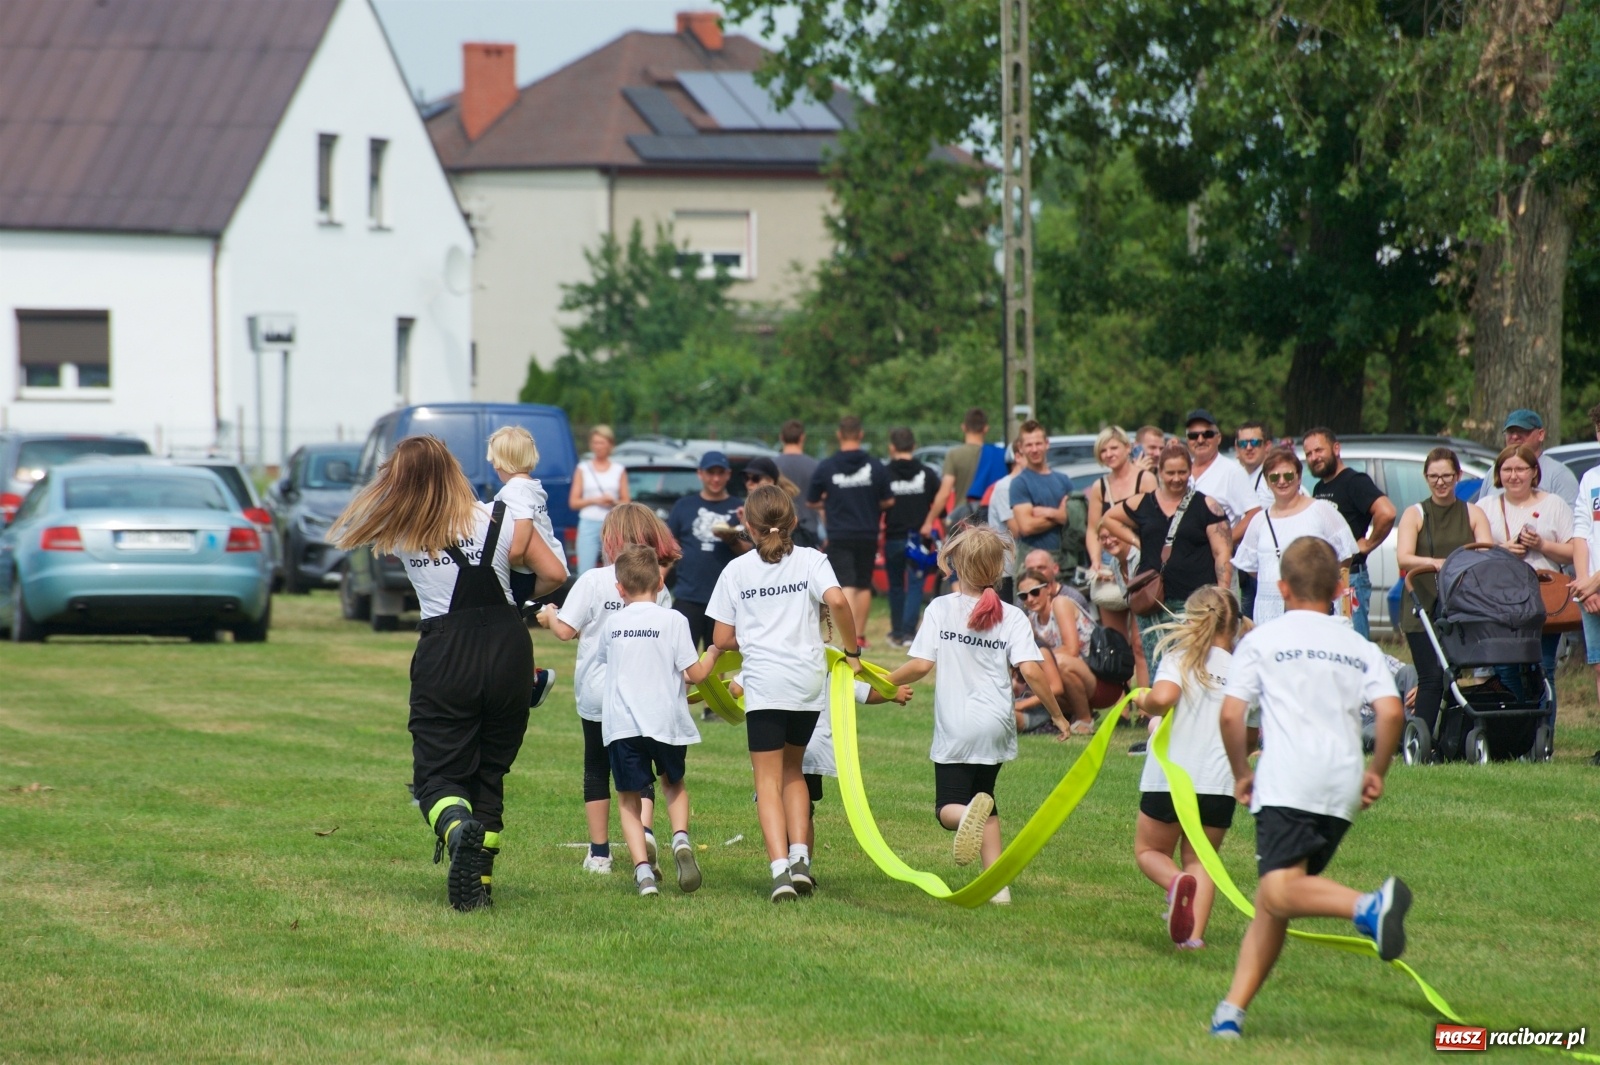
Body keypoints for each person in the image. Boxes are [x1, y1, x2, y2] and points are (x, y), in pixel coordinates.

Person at [330, 436, 567, 911]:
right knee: (490, 771)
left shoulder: (400, 531)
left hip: (445, 650)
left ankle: (458, 832)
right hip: (508, 650)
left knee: (437, 775)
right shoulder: (498, 516)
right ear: (454, 469)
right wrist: (522, 601)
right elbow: (555, 573)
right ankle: (480, 886)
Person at [1209, 537, 1408, 1040]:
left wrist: (1239, 773)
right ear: (1340, 587)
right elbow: (1390, 712)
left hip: (1288, 777)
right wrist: (1377, 770)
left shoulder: (1263, 639)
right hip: (1341, 782)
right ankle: (1231, 1011)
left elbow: (1232, 714)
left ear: (1281, 587)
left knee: (1279, 888)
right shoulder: (1359, 644)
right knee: (1278, 896)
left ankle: (1368, 906)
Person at [882, 525, 1071, 905]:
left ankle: (966, 816)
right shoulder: (1014, 616)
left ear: (955, 564)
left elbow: (920, 665)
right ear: (998, 570)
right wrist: (1059, 716)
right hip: (997, 725)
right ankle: (997, 886)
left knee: (948, 808)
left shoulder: (940, 608)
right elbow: (1032, 672)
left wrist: (883, 682)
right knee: (987, 799)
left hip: (957, 725)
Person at [707, 485, 861, 902]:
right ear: (793, 521)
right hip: (806, 682)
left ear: (748, 526)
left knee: (768, 779)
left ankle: (779, 872)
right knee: (794, 770)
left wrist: (758, 634)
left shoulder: (736, 570)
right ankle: (801, 863)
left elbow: (721, 637)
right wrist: (853, 651)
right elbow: (838, 601)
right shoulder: (812, 560)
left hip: (765, 683)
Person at [537, 503, 679, 876]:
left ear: (610, 538)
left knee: (596, 768)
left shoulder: (595, 580)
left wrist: (550, 615)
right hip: (642, 691)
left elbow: (567, 630)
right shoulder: (657, 585)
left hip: (598, 690)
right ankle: (644, 831)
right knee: (641, 768)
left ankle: (600, 853)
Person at [595, 545, 722, 897]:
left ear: (619, 587)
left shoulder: (613, 623)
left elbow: (617, 665)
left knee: (628, 799)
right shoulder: (674, 620)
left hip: (622, 725)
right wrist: (712, 652)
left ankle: (643, 874)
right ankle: (680, 839)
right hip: (665, 720)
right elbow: (693, 674)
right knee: (673, 784)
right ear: (661, 581)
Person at [1134, 586, 1248, 950]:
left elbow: (1164, 698)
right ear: (1234, 627)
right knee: (1203, 860)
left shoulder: (1179, 657)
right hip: (1219, 782)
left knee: (1150, 852)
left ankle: (1174, 883)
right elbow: (1250, 728)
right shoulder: (1243, 670)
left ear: (1190, 618)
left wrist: (1145, 700)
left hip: (1170, 780)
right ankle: (1192, 939)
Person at [1101, 443, 1234, 673]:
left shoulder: (1207, 505)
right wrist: (1137, 541)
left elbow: (1221, 552)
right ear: (1160, 472)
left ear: (1190, 470)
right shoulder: (1144, 503)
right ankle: (1161, 709)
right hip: (1153, 600)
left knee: (1193, 665)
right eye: (1170, 473)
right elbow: (1108, 518)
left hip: (1195, 601)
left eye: (1182, 472)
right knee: (1159, 666)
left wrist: (1222, 593)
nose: (1176, 478)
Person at [1394, 447, 1492, 756]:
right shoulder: (1415, 513)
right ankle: (1421, 742)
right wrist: (1438, 562)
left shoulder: (1473, 513)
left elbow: (1486, 551)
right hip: (1421, 605)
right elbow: (1404, 556)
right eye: (1434, 477)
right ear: (1426, 478)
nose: (1440, 482)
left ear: (1458, 476)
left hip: (1460, 608)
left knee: (1453, 675)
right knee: (1431, 676)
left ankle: (1449, 739)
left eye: (1446, 476)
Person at [1482, 444, 1573, 724]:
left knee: (1543, 667)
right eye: (1507, 469)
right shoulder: (1485, 506)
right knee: (1506, 668)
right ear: (1498, 474)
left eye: (1521, 468)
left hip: (1545, 598)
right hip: (1500, 599)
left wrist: (1542, 545)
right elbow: (1475, 552)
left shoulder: (1554, 504)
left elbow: (1573, 551)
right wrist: (1502, 549)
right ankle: (1514, 732)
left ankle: (1542, 737)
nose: (1514, 475)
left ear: (1534, 472)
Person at [1232, 448, 1357, 624]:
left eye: (1288, 476)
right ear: (1267, 482)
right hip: (1269, 610)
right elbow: (1252, 567)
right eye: (1274, 477)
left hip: (1312, 605)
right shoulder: (1259, 520)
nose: (1282, 481)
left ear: (1299, 478)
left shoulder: (1321, 510)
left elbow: (1345, 556)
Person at [487, 425, 563, 704]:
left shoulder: (514, 491)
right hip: (544, 563)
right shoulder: (532, 486)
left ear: (499, 460)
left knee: (505, 626)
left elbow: (523, 524)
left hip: (525, 569)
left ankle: (532, 678)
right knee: (512, 619)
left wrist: (514, 556)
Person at [806, 416, 892, 650]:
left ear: (839, 435)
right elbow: (889, 500)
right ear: (861, 435)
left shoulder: (827, 466)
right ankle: (860, 635)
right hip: (868, 531)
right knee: (864, 584)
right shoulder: (875, 466)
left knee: (847, 583)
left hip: (839, 532)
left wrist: (829, 502)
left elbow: (811, 500)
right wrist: (870, 502)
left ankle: (849, 639)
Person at [1304, 428, 1396, 640]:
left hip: (1350, 577)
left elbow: (1387, 512)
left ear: (1336, 448)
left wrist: (1367, 544)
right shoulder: (1319, 488)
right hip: (1325, 576)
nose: (1314, 457)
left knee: (1354, 641)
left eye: (1319, 450)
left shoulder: (1354, 481)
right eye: (1309, 454)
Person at [666, 450, 749, 653]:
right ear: (700, 474)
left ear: (728, 474)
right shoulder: (683, 506)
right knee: (682, 660)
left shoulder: (739, 508)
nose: (716, 478)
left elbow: (749, 552)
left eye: (721, 473)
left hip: (724, 598)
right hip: (688, 594)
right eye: (710, 473)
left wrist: (731, 538)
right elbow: (668, 549)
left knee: (717, 660)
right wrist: (658, 582)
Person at [1085, 425, 1152, 657]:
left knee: (1141, 641)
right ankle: (1122, 692)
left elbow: (1155, 525)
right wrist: (1095, 561)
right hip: (1108, 562)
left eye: (1113, 448)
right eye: (1103, 450)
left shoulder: (1145, 479)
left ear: (1127, 448)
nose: (1109, 454)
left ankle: (1145, 691)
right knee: (1115, 645)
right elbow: (1093, 529)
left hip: (1140, 561)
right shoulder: (1099, 487)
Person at [1012, 567, 1097, 735]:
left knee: (1058, 663)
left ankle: (1085, 719)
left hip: (1093, 675)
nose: (1029, 599)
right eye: (1023, 596)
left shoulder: (1060, 603)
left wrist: (1040, 663)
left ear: (1049, 589)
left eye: (1034, 592)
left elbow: (1072, 650)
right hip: (1066, 681)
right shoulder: (1031, 619)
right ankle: (1062, 717)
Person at [883, 428, 940, 648]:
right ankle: (908, 632)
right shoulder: (927, 473)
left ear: (892, 448)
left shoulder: (884, 473)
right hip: (919, 537)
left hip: (893, 536)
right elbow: (939, 501)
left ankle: (897, 632)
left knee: (896, 585)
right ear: (914, 446)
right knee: (916, 584)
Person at [1567, 402, 1600, 722]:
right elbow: (1581, 531)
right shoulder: (1590, 478)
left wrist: (1593, 582)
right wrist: (1584, 585)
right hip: (1591, 591)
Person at [1008, 419, 1076, 571]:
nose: (1034, 449)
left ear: (1047, 443)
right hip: (1032, 565)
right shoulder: (1019, 483)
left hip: (1065, 562)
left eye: (1038, 444)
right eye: (1029, 445)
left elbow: (1078, 520)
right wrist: (1061, 516)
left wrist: (1049, 512)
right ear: (1021, 448)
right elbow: (1026, 526)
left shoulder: (1063, 480)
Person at [1476, 409, 1580, 506]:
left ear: (1541, 434)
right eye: (1511, 431)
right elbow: (1481, 515)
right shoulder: (1494, 471)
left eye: (1522, 431)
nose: (1515, 436)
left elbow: (1570, 520)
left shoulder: (1559, 474)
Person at [1183, 409, 1256, 534]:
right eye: (1193, 436)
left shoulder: (1232, 471)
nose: (1200, 440)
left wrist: (1226, 544)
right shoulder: (1181, 471)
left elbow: (1254, 513)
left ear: (1219, 438)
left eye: (1207, 434)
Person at [570, 425, 630, 574]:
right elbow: (574, 502)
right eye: (595, 443)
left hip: (612, 523)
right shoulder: (583, 468)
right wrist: (595, 500)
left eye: (601, 443)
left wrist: (613, 501)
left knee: (614, 569)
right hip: (588, 521)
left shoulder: (618, 469)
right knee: (585, 570)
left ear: (610, 444)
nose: (598, 447)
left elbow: (626, 501)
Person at [921, 407, 990, 537]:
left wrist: (929, 521)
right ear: (986, 428)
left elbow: (944, 493)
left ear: (963, 427)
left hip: (963, 519)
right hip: (989, 521)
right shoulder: (995, 455)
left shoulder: (955, 455)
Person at [1232, 421, 1271, 618]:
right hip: (1246, 567)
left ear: (1267, 446)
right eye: (1243, 443)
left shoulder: (1271, 478)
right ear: (1236, 447)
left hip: (1266, 567)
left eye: (1255, 442)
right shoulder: (1238, 476)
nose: (1249, 448)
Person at [986, 436, 1026, 603]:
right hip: (1007, 569)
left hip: (1022, 566)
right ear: (1017, 457)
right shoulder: (1005, 487)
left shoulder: (1028, 484)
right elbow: (1017, 529)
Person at [774, 420, 821, 547]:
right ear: (802, 437)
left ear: (781, 437)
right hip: (809, 530)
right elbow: (822, 503)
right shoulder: (815, 466)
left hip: (779, 531)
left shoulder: (773, 466)